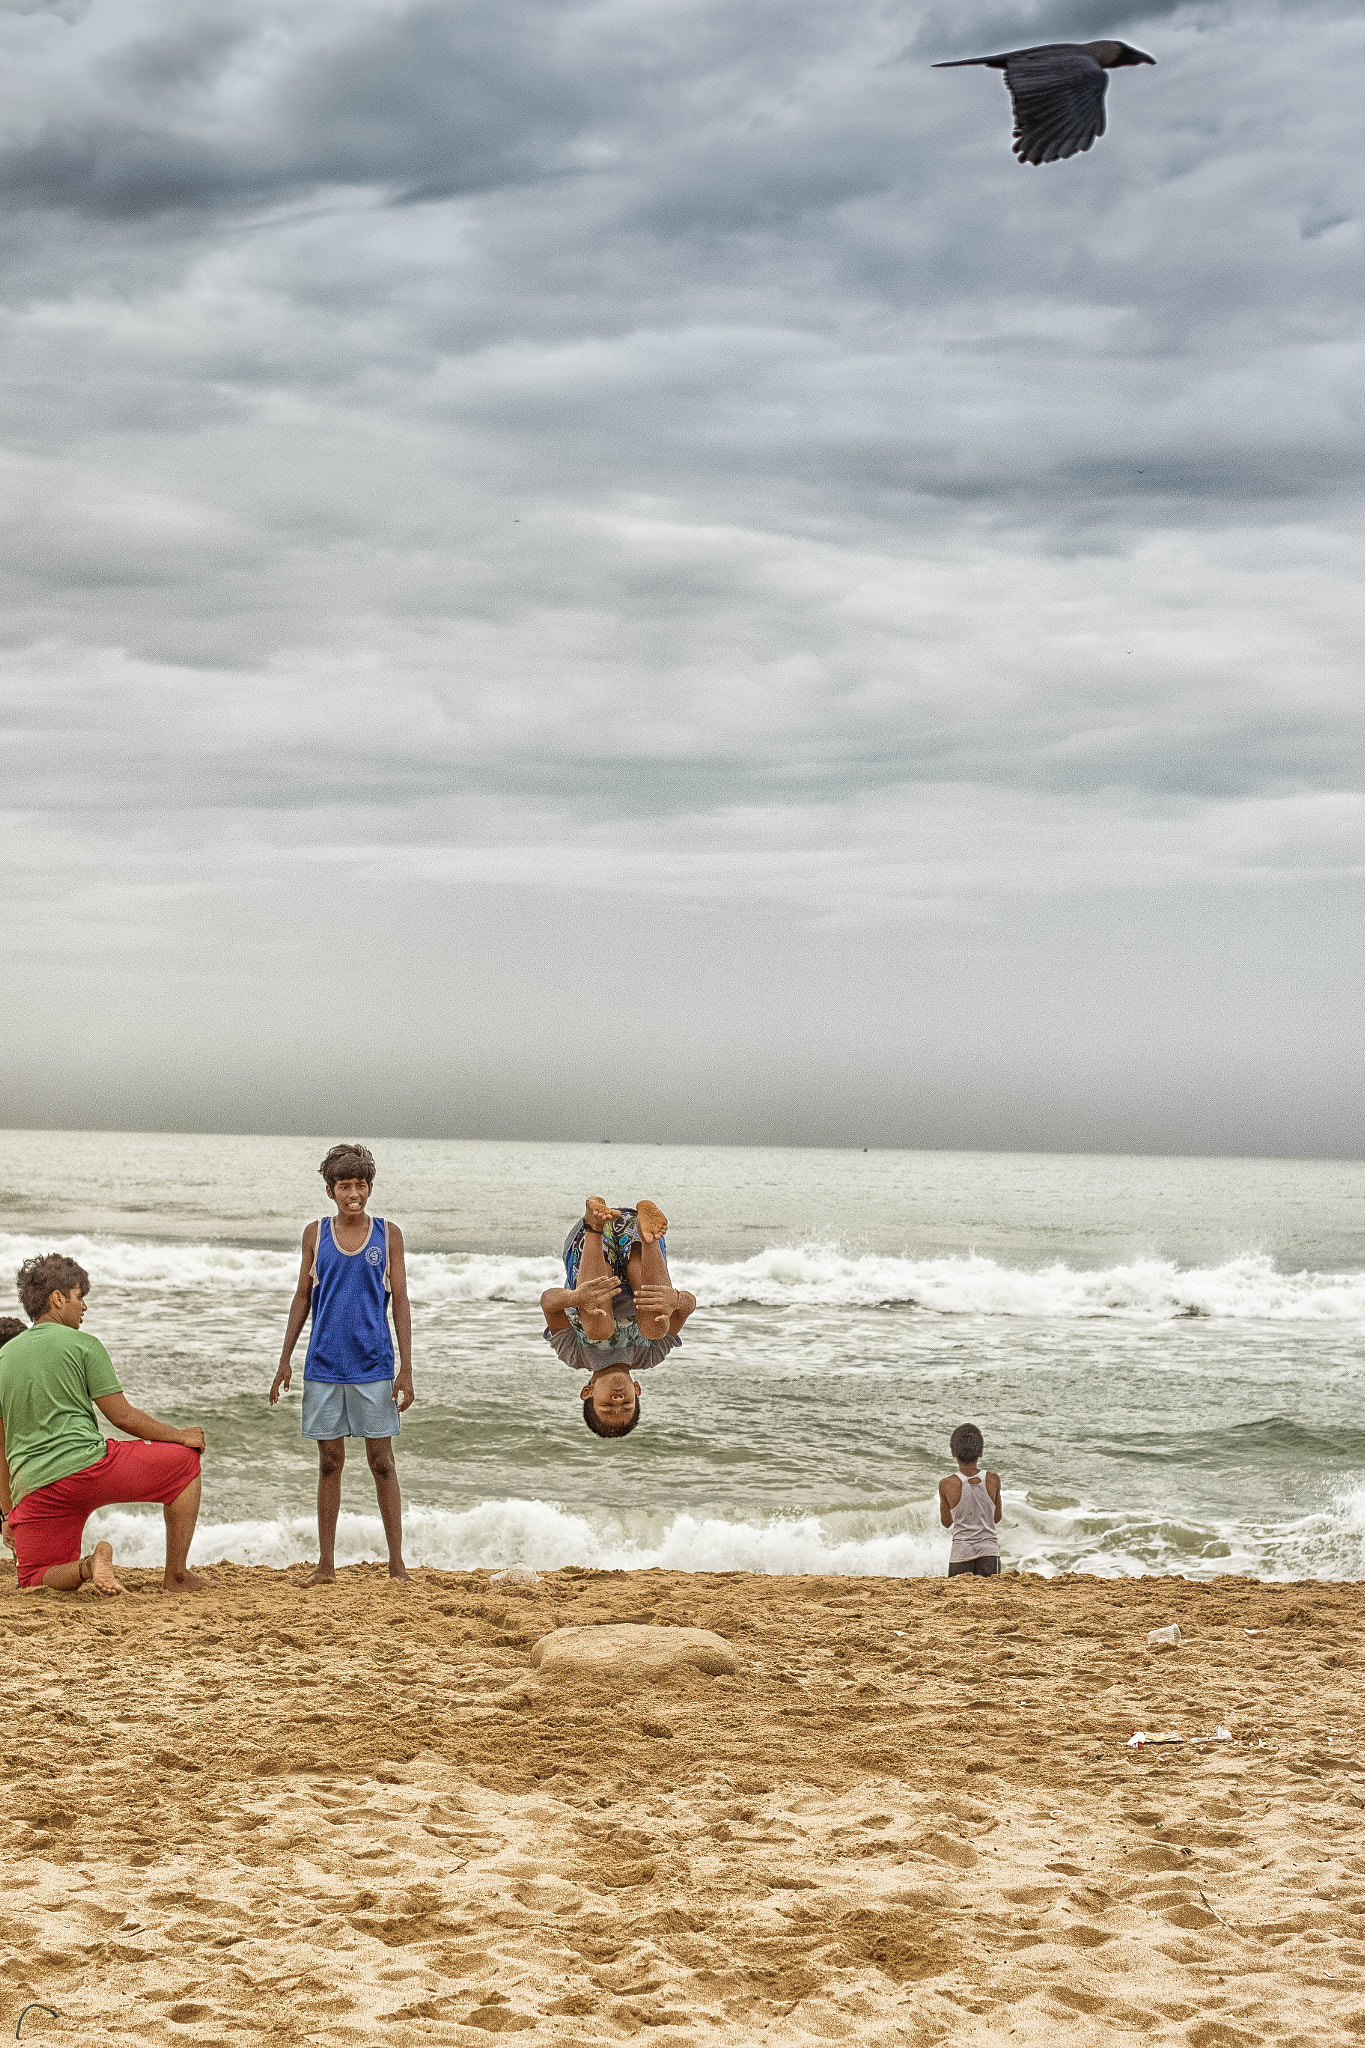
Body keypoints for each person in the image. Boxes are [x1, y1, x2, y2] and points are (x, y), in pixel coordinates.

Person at [0, 1256, 207, 1597]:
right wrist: (181, 1436)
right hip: (89, 1469)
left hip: (36, 1488)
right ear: (57, 1299)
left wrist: (8, 1513)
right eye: (79, 1296)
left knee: (36, 1578)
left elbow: (2, 1449)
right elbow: (122, 1417)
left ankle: (88, 1565)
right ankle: (177, 1575)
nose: (84, 1307)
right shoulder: (84, 1345)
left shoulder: (3, 1358)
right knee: (186, 1464)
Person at [270, 1143, 414, 1584]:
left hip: (374, 1365)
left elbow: (401, 1302)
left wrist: (406, 1368)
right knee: (330, 1462)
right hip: (324, 1364)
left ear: (369, 1187)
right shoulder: (315, 1234)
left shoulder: (388, 1234)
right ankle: (326, 1565)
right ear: (331, 1190)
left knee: (382, 1463)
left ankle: (397, 1564)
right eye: (344, 1185)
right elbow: (302, 1297)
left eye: (361, 1184)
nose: (354, 1193)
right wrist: (285, 1360)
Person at [540, 1198, 695, 1438]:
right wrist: (676, 1300)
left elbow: (548, 1302)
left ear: (587, 1392)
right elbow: (689, 1305)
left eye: (607, 1406)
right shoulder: (650, 1355)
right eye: (626, 1405)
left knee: (598, 1329)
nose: (618, 1399)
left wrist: (575, 1298)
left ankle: (594, 1224)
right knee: (655, 1328)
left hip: (591, 1247)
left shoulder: (574, 1354)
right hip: (635, 1236)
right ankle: (650, 1238)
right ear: (637, 1390)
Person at [939, 1423, 1003, 1577]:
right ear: (980, 1452)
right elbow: (996, 1517)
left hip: (961, 1553)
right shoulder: (993, 1479)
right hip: (989, 1553)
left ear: (953, 1452)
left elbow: (946, 1522)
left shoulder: (946, 1484)